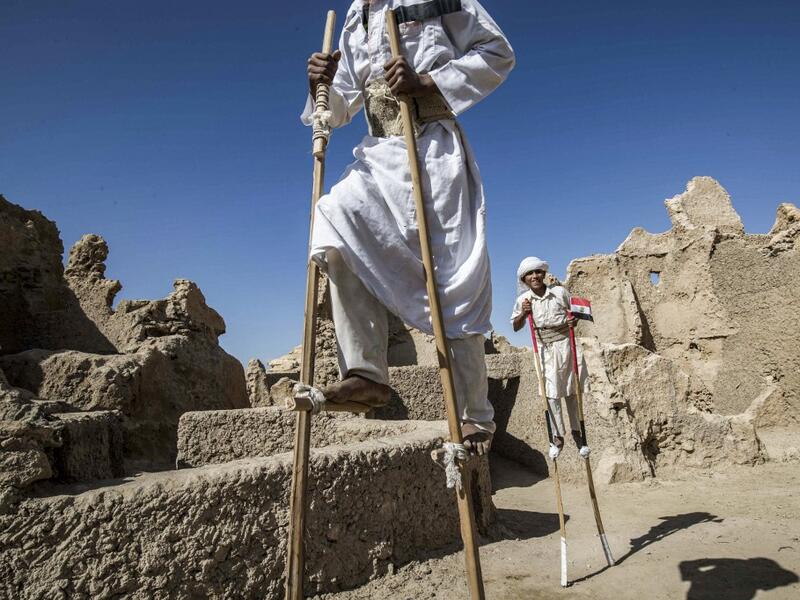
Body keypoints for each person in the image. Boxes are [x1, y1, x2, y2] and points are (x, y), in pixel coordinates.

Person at [301, 0, 514, 454]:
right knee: (335, 217)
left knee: (454, 280)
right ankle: (365, 373)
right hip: (382, 151)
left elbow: (497, 52)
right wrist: (320, 86)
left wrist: (427, 82)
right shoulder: (355, 18)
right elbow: (340, 105)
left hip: (434, 150)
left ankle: (476, 416)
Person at [510, 257, 588, 454]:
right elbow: (516, 326)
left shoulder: (559, 292)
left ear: (543, 274)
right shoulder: (523, 300)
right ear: (524, 279)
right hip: (544, 349)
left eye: (538, 272)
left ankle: (577, 432)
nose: (535, 276)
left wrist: (573, 322)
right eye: (530, 274)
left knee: (571, 389)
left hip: (566, 345)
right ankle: (557, 435)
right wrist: (523, 314)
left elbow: (575, 314)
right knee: (551, 393)